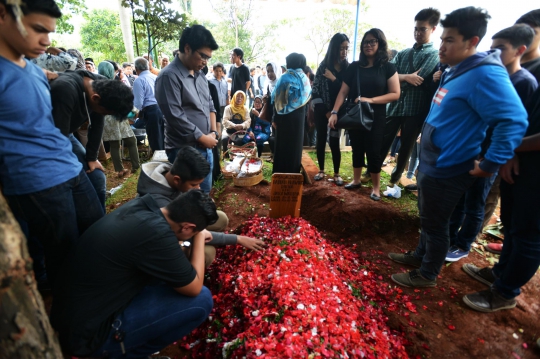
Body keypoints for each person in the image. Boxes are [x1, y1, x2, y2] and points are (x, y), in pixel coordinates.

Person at [387, 7, 528, 288]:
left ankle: (427, 274)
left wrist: (490, 164)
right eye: (442, 39)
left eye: (449, 40)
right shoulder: (457, 70)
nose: (441, 46)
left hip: (450, 165)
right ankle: (420, 255)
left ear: (472, 41)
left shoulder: (485, 74)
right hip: (433, 161)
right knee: (428, 218)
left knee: (437, 223)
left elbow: (513, 121)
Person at [0, 0, 105, 288]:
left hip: (69, 167)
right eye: (37, 29)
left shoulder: (32, 69)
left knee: (98, 231)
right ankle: (73, 321)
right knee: (65, 256)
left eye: (50, 31)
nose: (47, 41)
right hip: (36, 181)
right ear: (3, 14)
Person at [50, 191, 218, 358]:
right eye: (195, 231)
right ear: (187, 227)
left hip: (73, 314)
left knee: (171, 275)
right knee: (201, 300)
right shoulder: (157, 234)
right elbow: (194, 287)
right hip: (90, 334)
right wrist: (199, 237)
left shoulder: (143, 207)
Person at [445, 24, 539, 262]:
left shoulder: (524, 82)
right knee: (458, 199)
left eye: (501, 48)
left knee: (476, 202)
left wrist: (503, 155)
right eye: (492, 48)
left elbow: (519, 125)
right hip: (473, 148)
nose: (494, 54)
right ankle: (446, 238)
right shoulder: (490, 77)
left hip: (491, 154)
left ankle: (463, 244)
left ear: (520, 50)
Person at [462, 86, 540, 312]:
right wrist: (513, 153)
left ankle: (506, 292)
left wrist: (511, 147)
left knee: (529, 233)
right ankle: (499, 273)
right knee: (512, 224)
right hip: (521, 163)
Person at [137, 146, 266, 266]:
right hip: (165, 239)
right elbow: (183, 231)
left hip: (182, 223)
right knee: (208, 253)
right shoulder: (157, 201)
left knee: (220, 218)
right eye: (194, 185)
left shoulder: (172, 172)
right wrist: (237, 239)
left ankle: (206, 240)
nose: (198, 189)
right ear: (177, 180)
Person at [372, 8, 441, 187]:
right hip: (394, 105)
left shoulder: (433, 54)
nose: (418, 33)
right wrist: (406, 77)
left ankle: (395, 179)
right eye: (416, 28)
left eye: (422, 29)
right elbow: (388, 76)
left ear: (433, 29)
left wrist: (399, 78)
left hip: (416, 108)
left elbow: (420, 78)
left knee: (406, 147)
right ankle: (372, 171)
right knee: (383, 140)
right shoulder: (403, 53)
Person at [328, 29, 400, 201]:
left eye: (372, 41)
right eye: (365, 42)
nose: (368, 45)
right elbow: (343, 91)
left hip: (377, 116)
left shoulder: (387, 67)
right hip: (356, 114)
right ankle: (356, 180)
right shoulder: (354, 67)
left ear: (380, 43)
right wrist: (334, 112)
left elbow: (395, 93)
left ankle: (376, 188)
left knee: (374, 151)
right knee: (357, 147)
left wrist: (370, 100)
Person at [155, 25, 219, 194]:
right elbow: (175, 116)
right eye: (202, 56)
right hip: (184, 150)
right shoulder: (169, 76)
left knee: (204, 193)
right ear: (187, 48)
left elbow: (210, 106)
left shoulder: (200, 75)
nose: (205, 62)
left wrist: (213, 131)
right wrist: (202, 138)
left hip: (206, 146)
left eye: (208, 58)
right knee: (189, 199)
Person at [311, 32, 350, 185]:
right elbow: (315, 93)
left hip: (338, 110)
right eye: (341, 48)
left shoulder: (347, 68)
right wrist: (327, 113)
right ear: (334, 48)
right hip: (322, 111)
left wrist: (334, 79)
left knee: (334, 141)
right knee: (320, 139)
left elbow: (347, 90)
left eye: (346, 48)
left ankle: (336, 173)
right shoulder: (323, 67)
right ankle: (321, 170)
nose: (344, 52)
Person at [98, 61, 140, 177]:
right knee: (131, 141)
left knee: (114, 145)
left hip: (107, 119)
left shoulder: (97, 85)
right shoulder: (113, 84)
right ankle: (136, 167)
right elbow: (125, 101)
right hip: (118, 117)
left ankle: (119, 170)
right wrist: (136, 112)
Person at [271, 53, 312, 174]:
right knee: (295, 147)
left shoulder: (285, 77)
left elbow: (278, 102)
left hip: (284, 119)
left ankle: (280, 174)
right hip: (299, 119)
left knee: (283, 147)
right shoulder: (305, 78)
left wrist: (275, 118)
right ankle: (293, 173)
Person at [132, 57, 165, 152]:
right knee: (163, 137)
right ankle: (165, 161)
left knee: (155, 139)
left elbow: (138, 103)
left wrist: (132, 117)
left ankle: (159, 162)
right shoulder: (155, 77)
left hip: (151, 111)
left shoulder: (139, 80)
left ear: (136, 68)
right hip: (162, 109)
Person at [516, 9, 540, 82]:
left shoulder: (537, 67)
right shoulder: (503, 60)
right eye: (518, 31)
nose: (524, 36)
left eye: (532, 32)